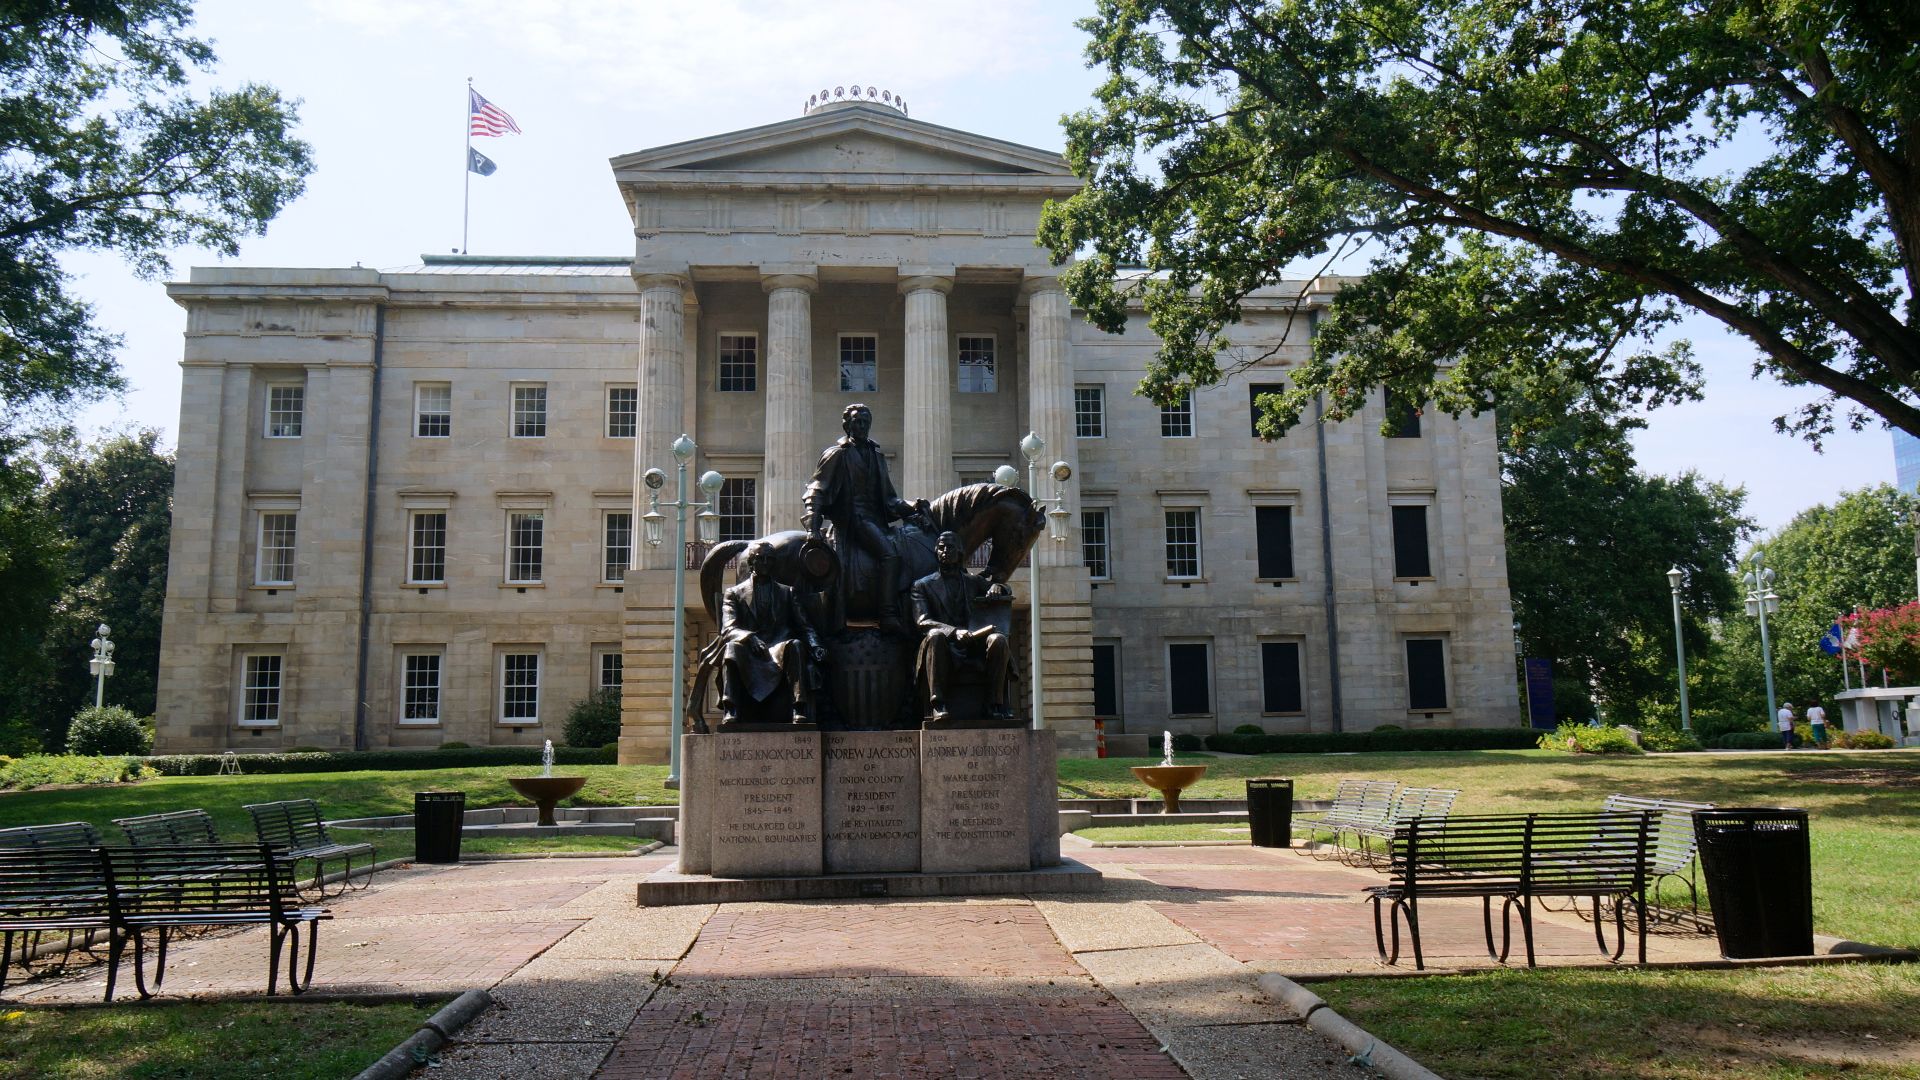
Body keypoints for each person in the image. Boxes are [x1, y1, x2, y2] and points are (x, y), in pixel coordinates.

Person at [803, 403, 927, 628]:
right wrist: (812, 528)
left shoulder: (876, 456)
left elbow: (890, 499)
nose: (862, 426)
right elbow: (816, 490)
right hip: (853, 521)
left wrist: (914, 506)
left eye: (865, 422)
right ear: (847, 426)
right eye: (857, 422)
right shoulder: (837, 454)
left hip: (876, 521)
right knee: (890, 555)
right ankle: (887, 614)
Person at [714, 541, 825, 725]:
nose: (765, 563)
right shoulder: (733, 593)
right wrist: (749, 638)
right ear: (751, 562)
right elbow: (728, 628)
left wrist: (816, 645)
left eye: (770, 559)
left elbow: (804, 625)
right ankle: (731, 709)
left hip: (777, 647)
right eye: (761, 558)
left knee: (796, 645)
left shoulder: (787, 592)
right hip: (748, 649)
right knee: (731, 649)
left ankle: (798, 708)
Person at [912, 530, 1013, 723]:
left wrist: (997, 587)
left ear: (959, 552)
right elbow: (922, 621)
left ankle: (993, 704)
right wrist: (954, 632)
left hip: (973, 645)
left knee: (998, 640)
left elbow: (1004, 589)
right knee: (935, 636)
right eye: (941, 548)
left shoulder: (973, 581)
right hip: (944, 645)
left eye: (950, 547)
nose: (945, 551)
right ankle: (938, 705)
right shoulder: (922, 586)